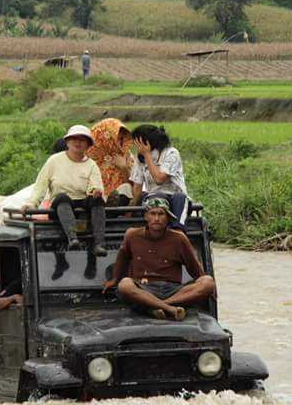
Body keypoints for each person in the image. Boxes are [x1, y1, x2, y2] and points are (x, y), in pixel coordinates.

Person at [102, 198, 214, 321]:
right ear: (146, 216)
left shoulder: (179, 238)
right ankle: (170, 309)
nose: (156, 218)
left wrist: (209, 288)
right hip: (143, 288)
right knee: (124, 285)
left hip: (173, 290)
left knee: (207, 282)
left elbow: (196, 269)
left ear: (167, 218)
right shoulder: (132, 235)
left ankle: (158, 307)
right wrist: (114, 279)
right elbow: (122, 258)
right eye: (152, 213)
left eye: (161, 214)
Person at [21, 124, 107, 257]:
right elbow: (40, 185)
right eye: (74, 139)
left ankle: (99, 244)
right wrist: (31, 204)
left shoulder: (91, 165)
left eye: (82, 140)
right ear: (67, 141)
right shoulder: (54, 161)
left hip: (82, 203)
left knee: (97, 200)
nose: (78, 142)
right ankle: (72, 238)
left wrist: (95, 191)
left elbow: (96, 186)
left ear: (88, 145)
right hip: (61, 205)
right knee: (62, 197)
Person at [129, 124, 190, 231]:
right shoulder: (140, 158)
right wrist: (129, 211)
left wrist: (147, 155)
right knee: (155, 197)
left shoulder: (171, 153)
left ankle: (177, 231)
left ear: (145, 142)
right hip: (153, 197)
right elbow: (137, 187)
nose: (135, 146)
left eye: (136, 143)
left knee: (180, 197)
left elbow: (159, 179)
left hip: (174, 198)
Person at [86, 118, 134, 204]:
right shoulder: (88, 154)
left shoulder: (126, 154)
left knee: (126, 187)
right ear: (104, 136)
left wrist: (123, 168)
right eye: (116, 138)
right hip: (94, 198)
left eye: (121, 138)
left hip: (121, 202)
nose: (118, 142)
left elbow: (135, 186)